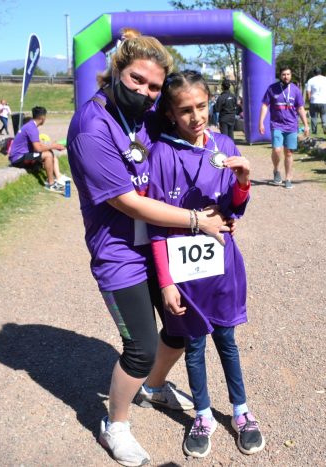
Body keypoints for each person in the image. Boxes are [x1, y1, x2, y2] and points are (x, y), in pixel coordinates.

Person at [66, 35, 229, 467]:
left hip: (161, 242)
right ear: (117, 70)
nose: (145, 91)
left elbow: (185, 115)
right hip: (119, 251)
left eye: (154, 87)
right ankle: (114, 425)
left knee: (180, 326)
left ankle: (154, 387)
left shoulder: (146, 110)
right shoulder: (91, 128)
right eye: (136, 79)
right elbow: (127, 202)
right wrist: (198, 222)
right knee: (139, 346)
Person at [148, 69, 264, 459]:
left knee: (227, 341)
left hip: (222, 265)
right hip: (183, 272)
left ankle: (242, 412)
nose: (196, 117)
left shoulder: (224, 143)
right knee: (194, 344)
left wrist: (243, 183)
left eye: (202, 106)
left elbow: (233, 209)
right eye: (185, 110)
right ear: (170, 113)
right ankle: (202, 415)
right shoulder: (161, 154)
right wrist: (165, 282)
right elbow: (156, 225)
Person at [258, 66, 310, 189]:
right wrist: (260, 122)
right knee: (277, 150)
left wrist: (306, 125)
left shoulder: (296, 90)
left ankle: (288, 178)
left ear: (291, 75)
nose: (286, 77)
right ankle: (276, 170)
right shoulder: (272, 88)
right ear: (280, 76)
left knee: (288, 153)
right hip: (276, 124)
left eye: (288, 74)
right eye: (283, 74)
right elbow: (265, 105)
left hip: (292, 126)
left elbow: (300, 108)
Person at [8, 106, 67, 192]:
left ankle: (56, 177)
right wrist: (54, 146)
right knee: (48, 155)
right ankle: (51, 184)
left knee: (48, 152)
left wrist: (52, 146)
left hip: (22, 155)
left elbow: (38, 145)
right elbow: (38, 148)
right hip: (18, 158)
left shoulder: (30, 125)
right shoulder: (32, 128)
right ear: (42, 118)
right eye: (45, 117)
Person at [306, 67, 326, 135]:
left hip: (314, 101)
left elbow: (308, 92)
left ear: (314, 73)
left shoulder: (310, 80)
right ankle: (324, 125)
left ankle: (314, 131)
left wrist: (309, 100)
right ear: (321, 72)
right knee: (324, 114)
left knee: (314, 117)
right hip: (324, 101)